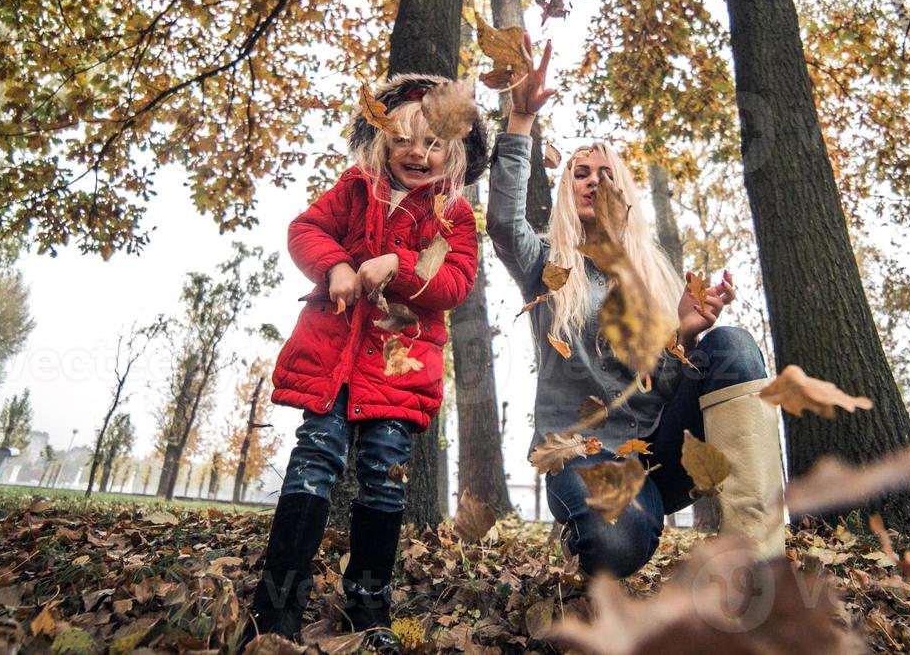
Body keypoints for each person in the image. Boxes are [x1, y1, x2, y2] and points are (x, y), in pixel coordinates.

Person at [487, 35, 786, 578]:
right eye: (580, 173)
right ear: (565, 190)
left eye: (606, 174)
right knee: (617, 543)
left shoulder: (652, 274)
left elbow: (669, 388)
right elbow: (503, 224)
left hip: (662, 453)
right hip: (586, 456)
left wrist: (685, 338)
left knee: (733, 344)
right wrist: (520, 123)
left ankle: (760, 562)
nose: (594, 181)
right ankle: (590, 530)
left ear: (623, 192)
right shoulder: (547, 264)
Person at [249, 74, 489, 649]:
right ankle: (277, 606)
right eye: (406, 139)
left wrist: (397, 266)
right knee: (315, 458)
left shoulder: (454, 217)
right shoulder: (355, 189)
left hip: (398, 366)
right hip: (333, 355)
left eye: (433, 144)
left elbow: (455, 281)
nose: (418, 153)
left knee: (384, 475)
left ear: (452, 152)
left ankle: (368, 606)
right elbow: (305, 229)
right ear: (384, 141)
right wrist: (334, 266)